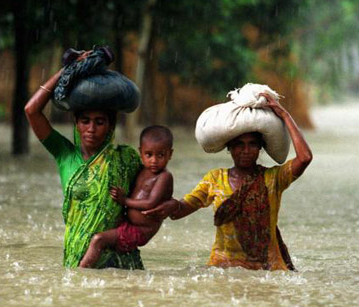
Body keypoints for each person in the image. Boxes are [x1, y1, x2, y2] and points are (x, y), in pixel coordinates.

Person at [144, 93, 312, 271]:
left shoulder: (273, 179)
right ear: (229, 148)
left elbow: (305, 157)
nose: (246, 150)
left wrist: (284, 115)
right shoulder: (215, 179)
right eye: (239, 144)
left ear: (260, 148)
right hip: (223, 269)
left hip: (265, 269)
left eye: (252, 144)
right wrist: (169, 206)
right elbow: (180, 210)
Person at [24, 60, 144, 269]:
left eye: (99, 122)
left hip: (118, 262)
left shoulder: (126, 158)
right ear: (76, 124)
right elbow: (31, 111)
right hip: (76, 255)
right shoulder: (65, 154)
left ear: (110, 126)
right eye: (85, 121)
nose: (91, 128)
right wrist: (67, 70)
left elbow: (150, 193)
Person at [79, 125, 174, 268]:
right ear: (140, 153)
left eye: (160, 155)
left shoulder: (164, 177)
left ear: (170, 154)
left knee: (98, 239)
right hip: (128, 223)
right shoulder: (142, 170)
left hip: (140, 230)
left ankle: (79, 273)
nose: (154, 160)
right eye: (149, 155)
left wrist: (124, 200)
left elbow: (150, 203)